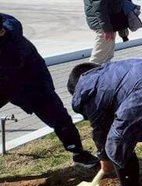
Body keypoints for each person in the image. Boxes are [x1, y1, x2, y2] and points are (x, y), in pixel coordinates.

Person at [0, 13, 97, 168]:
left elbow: (8, 75)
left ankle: (78, 152)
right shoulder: (5, 23)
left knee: (57, 114)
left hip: (30, 81)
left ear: (2, 32)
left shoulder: (14, 48)